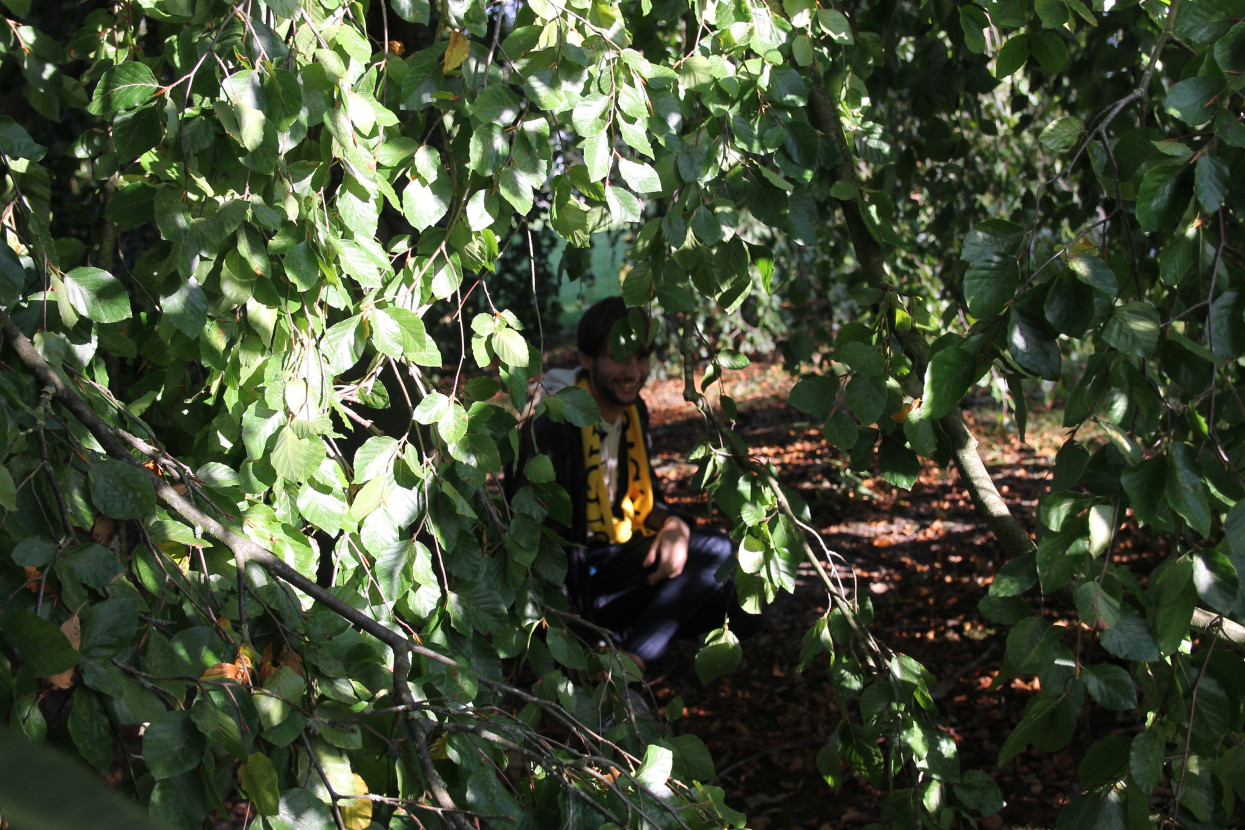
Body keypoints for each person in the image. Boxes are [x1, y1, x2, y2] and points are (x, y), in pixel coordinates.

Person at [509, 297, 757, 678]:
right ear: (587, 359)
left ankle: (625, 648)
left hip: (621, 553)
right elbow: (533, 534)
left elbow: (643, 500)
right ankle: (629, 662)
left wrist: (674, 526)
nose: (633, 371)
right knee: (714, 556)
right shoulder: (554, 423)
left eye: (641, 358)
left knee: (734, 598)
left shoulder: (633, 412)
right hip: (577, 574)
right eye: (620, 357)